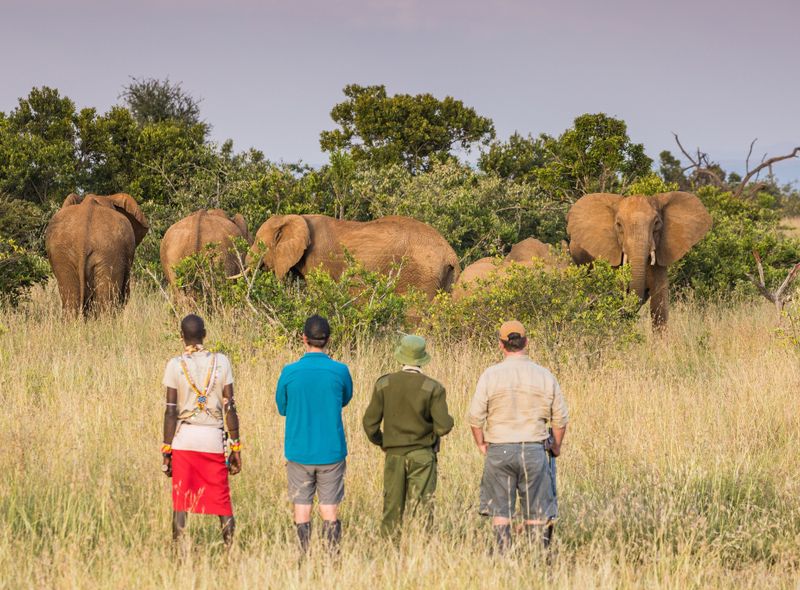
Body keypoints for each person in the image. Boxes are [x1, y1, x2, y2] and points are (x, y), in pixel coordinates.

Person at [467, 320, 568, 554]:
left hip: (499, 449)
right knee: (537, 511)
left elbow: (475, 417)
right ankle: (537, 559)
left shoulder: (490, 375)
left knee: (501, 512)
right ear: (526, 342)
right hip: (534, 449)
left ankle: (503, 556)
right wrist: (556, 446)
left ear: (501, 345)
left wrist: (481, 443)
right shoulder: (544, 375)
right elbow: (560, 419)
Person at [161, 314, 241, 548]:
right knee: (222, 502)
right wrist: (236, 447)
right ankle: (230, 552)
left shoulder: (175, 365)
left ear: (181, 336)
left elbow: (170, 411)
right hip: (213, 439)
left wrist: (167, 450)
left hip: (184, 439)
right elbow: (230, 407)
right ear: (205, 334)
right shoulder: (222, 362)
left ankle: (180, 555)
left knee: (181, 503)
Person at [275, 315, 353, 555]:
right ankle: (332, 558)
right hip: (331, 450)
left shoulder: (289, 372)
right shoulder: (340, 370)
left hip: (299, 450)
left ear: (304, 338)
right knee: (329, 509)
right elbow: (345, 399)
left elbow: (282, 408)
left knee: (302, 507)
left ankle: (303, 557)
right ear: (328, 340)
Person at [363, 334, 454, 537]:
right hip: (422, 455)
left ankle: (390, 549)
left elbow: (369, 424)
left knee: (392, 508)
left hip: (394, 454)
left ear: (401, 357)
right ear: (423, 359)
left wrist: (383, 441)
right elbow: (443, 427)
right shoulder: (433, 387)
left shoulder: (384, 384)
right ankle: (420, 547)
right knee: (423, 510)